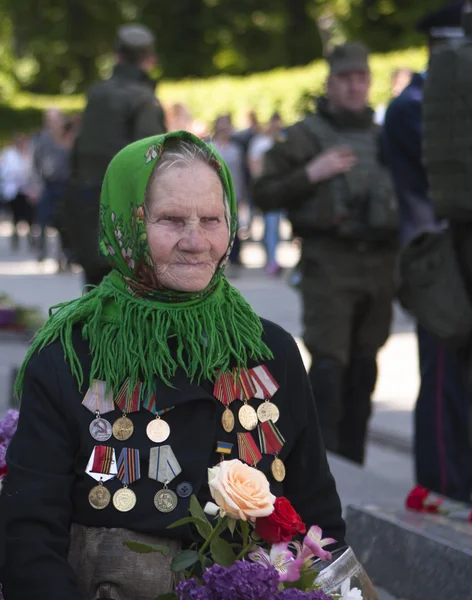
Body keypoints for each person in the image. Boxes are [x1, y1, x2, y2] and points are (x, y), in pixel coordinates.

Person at [0, 131, 345, 599]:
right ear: (125, 226)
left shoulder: (271, 350)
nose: (196, 241)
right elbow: (29, 538)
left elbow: (319, 519)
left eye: (212, 219)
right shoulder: (68, 356)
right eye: (170, 220)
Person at [254, 43, 399, 465]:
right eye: (346, 78)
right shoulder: (304, 136)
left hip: (381, 262)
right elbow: (264, 192)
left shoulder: (384, 137)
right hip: (329, 263)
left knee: (365, 367)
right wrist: (311, 173)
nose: (355, 87)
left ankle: (354, 463)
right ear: (330, 82)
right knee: (330, 370)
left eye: (362, 78)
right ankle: (323, 466)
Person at [382, 1, 472, 503]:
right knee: (443, 382)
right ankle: (439, 485)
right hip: (438, 257)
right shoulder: (414, 105)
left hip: (452, 252)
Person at [67, 23, 166, 287]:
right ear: (150, 59)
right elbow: (152, 162)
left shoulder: (96, 94)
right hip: (128, 223)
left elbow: (76, 157)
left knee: (94, 303)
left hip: (89, 215)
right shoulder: (143, 100)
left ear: (117, 56)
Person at [248, 113, 285, 276]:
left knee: (274, 226)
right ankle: (271, 260)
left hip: (284, 189)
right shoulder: (260, 143)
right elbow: (253, 165)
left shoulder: (284, 141)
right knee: (271, 225)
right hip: (268, 189)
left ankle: (272, 259)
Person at [211, 114, 248, 266]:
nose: (224, 128)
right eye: (221, 124)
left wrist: (242, 194)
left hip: (233, 191)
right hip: (213, 192)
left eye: (227, 125)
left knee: (234, 224)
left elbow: (240, 172)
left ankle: (234, 257)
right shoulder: (210, 147)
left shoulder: (236, 149)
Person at [0, 135, 40, 250]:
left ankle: (31, 240)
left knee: (29, 218)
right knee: (16, 217)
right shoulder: (9, 154)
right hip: (14, 191)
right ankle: (15, 240)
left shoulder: (30, 153)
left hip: (27, 191)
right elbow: (5, 171)